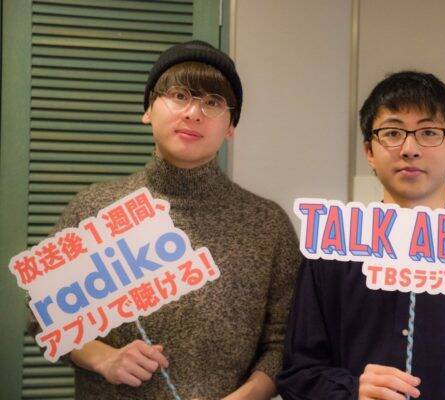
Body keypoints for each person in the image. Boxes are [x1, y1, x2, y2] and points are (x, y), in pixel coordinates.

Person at [29, 40, 301, 400]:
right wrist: (102, 358)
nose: (193, 113)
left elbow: (285, 343)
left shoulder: (267, 225)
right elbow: (41, 313)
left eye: (213, 102)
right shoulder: (94, 210)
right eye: (179, 95)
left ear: (230, 127)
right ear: (148, 110)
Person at [276, 71, 445, 399]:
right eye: (392, 133)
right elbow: (298, 374)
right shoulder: (331, 251)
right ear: (369, 151)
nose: (409, 149)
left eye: (429, 132)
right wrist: (351, 392)